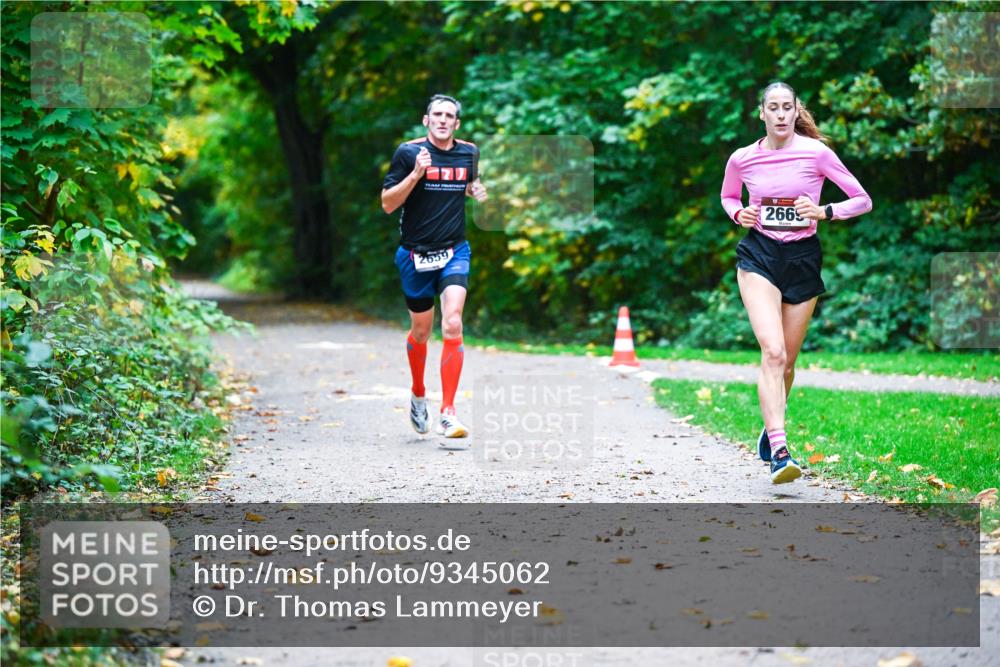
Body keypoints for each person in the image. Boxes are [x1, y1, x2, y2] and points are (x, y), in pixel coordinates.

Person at [720, 81, 872, 484]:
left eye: (787, 107)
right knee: (772, 353)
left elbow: (862, 199)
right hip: (759, 255)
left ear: (795, 111)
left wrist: (824, 211)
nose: (781, 114)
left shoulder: (816, 152)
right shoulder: (742, 158)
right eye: (773, 107)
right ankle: (780, 451)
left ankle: (769, 428)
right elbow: (729, 197)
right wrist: (739, 215)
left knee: (786, 360)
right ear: (762, 113)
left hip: (802, 259)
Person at [381, 94, 488, 439]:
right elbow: (387, 204)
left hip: (454, 250)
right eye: (437, 114)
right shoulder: (408, 152)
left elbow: (467, 184)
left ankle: (449, 412)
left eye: (449, 116)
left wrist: (475, 190)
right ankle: (417, 393)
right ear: (426, 120)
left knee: (453, 322)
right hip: (415, 254)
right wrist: (416, 174)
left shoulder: (469, 152)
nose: (443, 120)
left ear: (457, 123)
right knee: (421, 332)